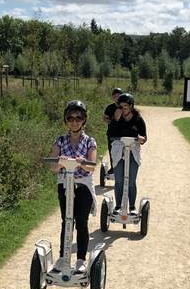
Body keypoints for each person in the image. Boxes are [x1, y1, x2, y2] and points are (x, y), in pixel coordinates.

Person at [50, 100, 97, 273]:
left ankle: (81, 260)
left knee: (81, 223)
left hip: (83, 185)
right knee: (66, 221)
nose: (74, 121)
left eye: (78, 118)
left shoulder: (90, 142)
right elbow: (53, 166)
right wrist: (60, 163)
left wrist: (81, 163)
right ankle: (63, 259)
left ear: (83, 120)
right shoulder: (60, 140)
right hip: (65, 184)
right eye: (71, 118)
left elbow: (92, 166)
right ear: (66, 120)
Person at [108, 92, 147, 214]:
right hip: (119, 150)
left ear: (131, 106)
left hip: (133, 150)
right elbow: (111, 136)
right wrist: (116, 119)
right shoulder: (116, 119)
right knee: (119, 180)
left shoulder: (138, 119)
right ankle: (118, 206)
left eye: (125, 106)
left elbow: (144, 138)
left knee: (131, 181)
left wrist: (141, 139)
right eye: (121, 106)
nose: (123, 109)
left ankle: (132, 207)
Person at [103, 88, 122, 174]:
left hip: (123, 134)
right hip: (112, 133)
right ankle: (113, 167)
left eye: (118, 96)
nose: (117, 98)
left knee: (123, 152)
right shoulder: (109, 107)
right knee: (112, 151)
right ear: (113, 97)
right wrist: (108, 120)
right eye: (115, 96)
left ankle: (122, 168)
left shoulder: (125, 107)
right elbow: (105, 118)